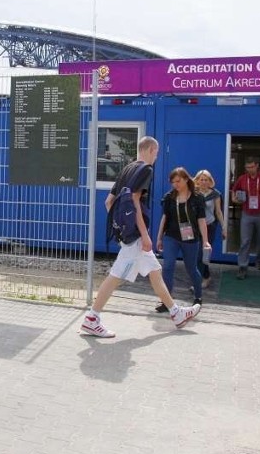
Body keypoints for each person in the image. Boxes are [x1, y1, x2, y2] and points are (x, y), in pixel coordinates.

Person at [80, 136, 201, 337]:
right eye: (157, 152)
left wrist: (121, 232)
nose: (157, 156)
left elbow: (109, 202)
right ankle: (92, 318)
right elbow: (135, 201)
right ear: (152, 150)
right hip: (136, 236)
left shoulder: (127, 169)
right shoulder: (146, 170)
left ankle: (176, 313)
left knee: (155, 270)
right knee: (116, 276)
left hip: (128, 235)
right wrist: (144, 235)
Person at [156, 167, 210, 306]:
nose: (175, 184)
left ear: (186, 179)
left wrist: (205, 241)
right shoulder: (169, 197)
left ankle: (198, 297)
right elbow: (164, 217)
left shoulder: (197, 198)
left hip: (190, 238)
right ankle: (166, 302)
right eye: (173, 182)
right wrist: (159, 237)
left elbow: (202, 220)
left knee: (191, 268)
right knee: (167, 266)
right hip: (171, 236)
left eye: (178, 181)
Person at [231, 157, 260, 279]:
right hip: (247, 213)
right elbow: (234, 190)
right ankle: (242, 266)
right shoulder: (242, 178)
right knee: (245, 241)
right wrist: (234, 198)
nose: (249, 169)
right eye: (247, 167)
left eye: (251, 167)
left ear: (257, 166)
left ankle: (259, 260)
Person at [194, 169, 226, 289]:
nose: (203, 182)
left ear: (210, 181)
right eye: (201, 179)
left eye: (206, 180)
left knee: (204, 254)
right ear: (197, 180)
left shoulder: (215, 194)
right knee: (196, 255)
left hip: (209, 226)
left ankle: (202, 279)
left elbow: (218, 211)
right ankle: (204, 277)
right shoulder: (194, 193)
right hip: (195, 227)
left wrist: (223, 227)